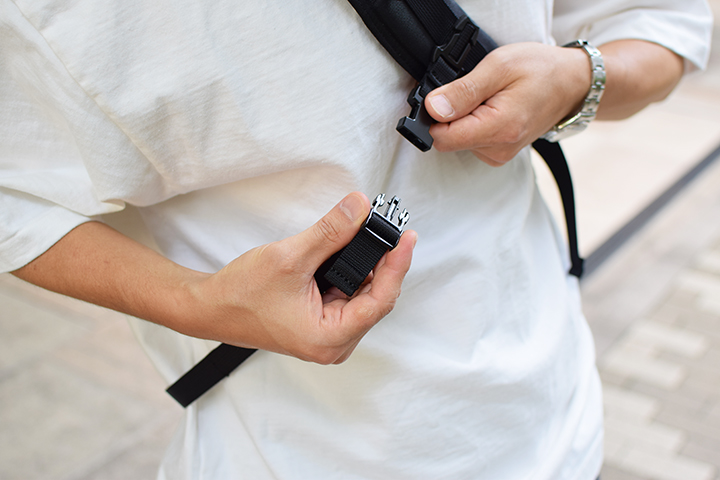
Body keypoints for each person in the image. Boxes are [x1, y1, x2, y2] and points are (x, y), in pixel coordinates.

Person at [1, 0, 712, 478]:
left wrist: (577, 79)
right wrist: (199, 304)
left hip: (558, 418)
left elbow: (666, 23)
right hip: (290, 456)